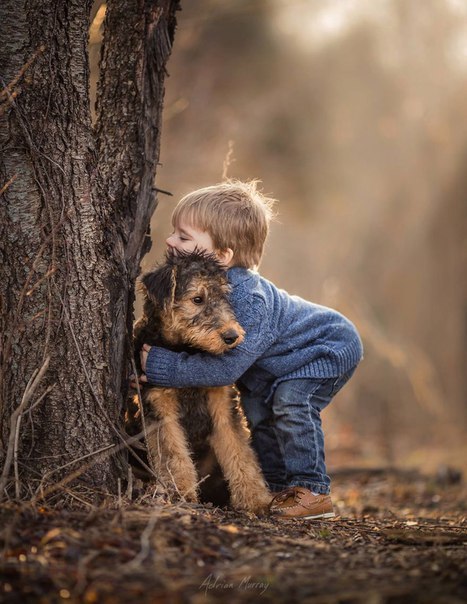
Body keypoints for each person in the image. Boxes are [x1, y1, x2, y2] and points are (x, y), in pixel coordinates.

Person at [137, 180, 363, 519]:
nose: (170, 241)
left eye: (184, 237)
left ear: (223, 255)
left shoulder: (249, 300)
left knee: (291, 403)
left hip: (326, 345)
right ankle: (275, 488)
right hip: (278, 364)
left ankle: (312, 490)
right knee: (257, 412)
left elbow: (226, 369)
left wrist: (160, 366)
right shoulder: (214, 285)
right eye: (174, 233)